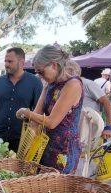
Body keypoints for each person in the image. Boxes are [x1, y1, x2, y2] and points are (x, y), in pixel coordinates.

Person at [17, 46, 84, 174]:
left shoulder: (73, 84)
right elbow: (35, 118)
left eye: (41, 72)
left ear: (53, 65)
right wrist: (25, 149)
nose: (40, 76)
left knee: (56, 190)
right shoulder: (49, 85)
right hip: (45, 146)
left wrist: (26, 112)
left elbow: (52, 122)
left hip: (63, 151)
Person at [0, 47, 43, 151]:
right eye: (5, 61)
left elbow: (39, 110)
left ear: (21, 63)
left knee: (18, 167)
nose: (6, 64)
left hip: (22, 138)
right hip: (0, 136)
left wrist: (34, 133)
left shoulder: (35, 82)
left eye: (10, 61)